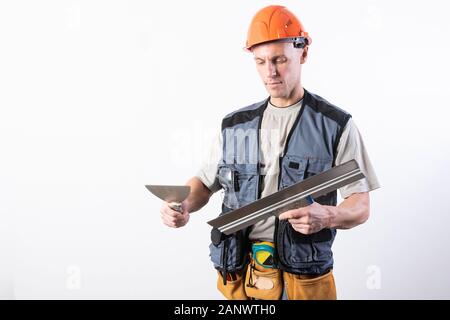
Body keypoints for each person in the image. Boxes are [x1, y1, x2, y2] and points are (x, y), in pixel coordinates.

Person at [160, 5, 380, 300]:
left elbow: (361, 205)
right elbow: (203, 182)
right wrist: (182, 204)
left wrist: (328, 215)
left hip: (303, 282)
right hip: (241, 277)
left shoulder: (336, 125)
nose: (270, 71)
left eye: (279, 60)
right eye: (260, 61)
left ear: (303, 54)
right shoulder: (237, 125)